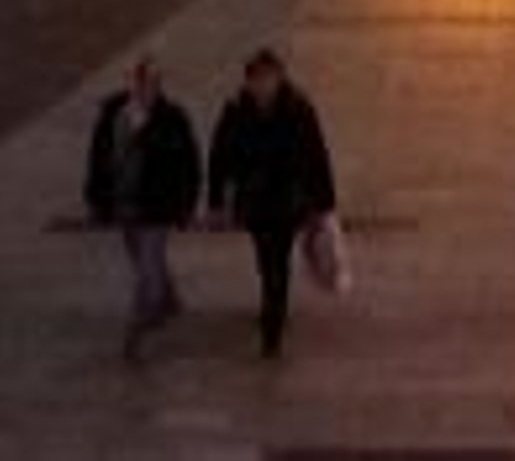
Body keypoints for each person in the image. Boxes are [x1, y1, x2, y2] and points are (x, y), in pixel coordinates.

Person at [206, 50, 336, 360]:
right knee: (266, 260)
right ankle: (273, 304)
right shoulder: (236, 109)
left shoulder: (299, 108)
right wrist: (216, 200)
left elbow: (317, 154)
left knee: (277, 260)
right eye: (258, 79)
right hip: (253, 201)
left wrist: (324, 202)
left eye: (270, 78)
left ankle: (272, 331)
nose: (264, 85)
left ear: (280, 77)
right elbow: (219, 156)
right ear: (249, 81)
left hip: (287, 200)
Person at [84, 56, 201, 362]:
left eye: (155, 82)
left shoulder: (172, 117)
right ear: (133, 82)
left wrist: (187, 203)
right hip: (124, 204)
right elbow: (97, 159)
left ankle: (135, 331)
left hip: (158, 207)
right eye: (144, 81)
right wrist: (96, 200)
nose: (150, 88)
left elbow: (188, 163)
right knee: (147, 261)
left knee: (148, 268)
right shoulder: (113, 114)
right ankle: (169, 302)